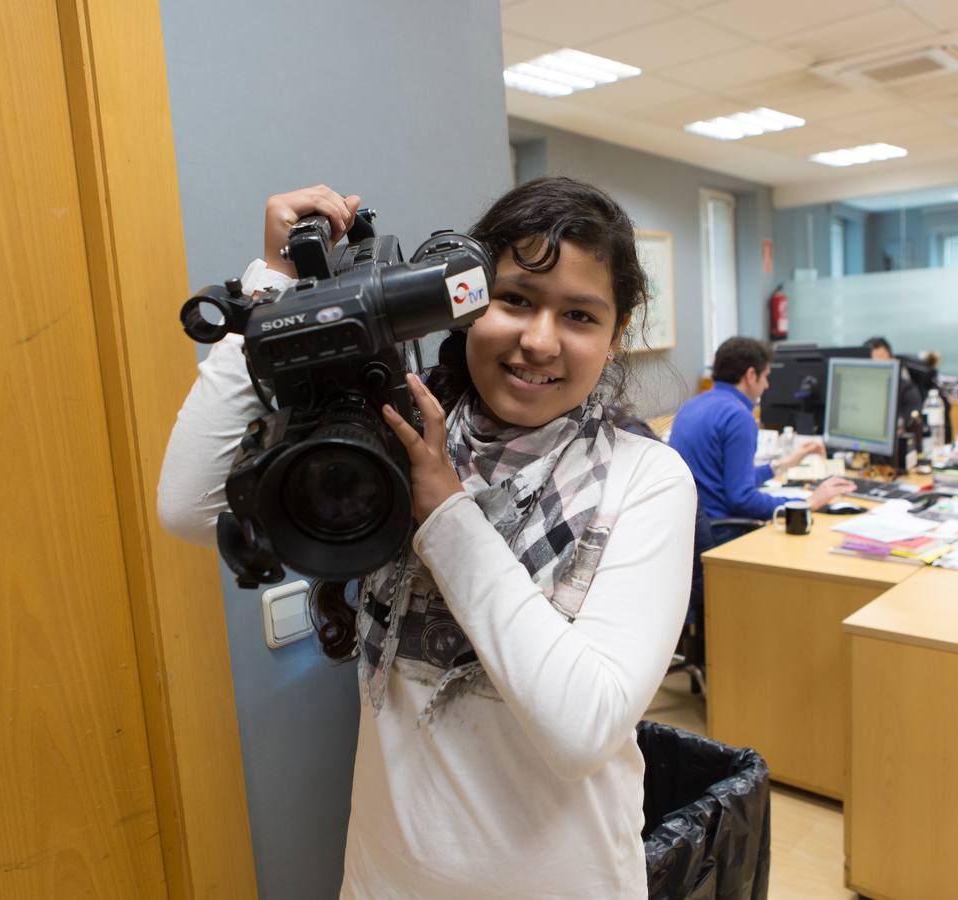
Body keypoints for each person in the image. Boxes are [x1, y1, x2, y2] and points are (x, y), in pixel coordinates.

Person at [158, 178, 697, 898]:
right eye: (514, 300)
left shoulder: (646, 481)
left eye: (578, 315)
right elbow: (189, 505)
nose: (539, 340)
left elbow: (582, 728)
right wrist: (273, 290)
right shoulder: (399, 437)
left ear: (616, 333)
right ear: (466, 298)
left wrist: (445, 512)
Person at [668, 336, 854, 545]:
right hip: (721, 535)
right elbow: (742, 500)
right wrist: (807, 502)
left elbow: (726, 480)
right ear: (750, 375)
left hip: (690, 534)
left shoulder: (691, 406)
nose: (766, 385)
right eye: (765, 376)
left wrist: (780, 466)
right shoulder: (738, 417)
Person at [864, 335, 925, 422]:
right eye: (873, 365)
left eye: (882, 365)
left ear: (893, 361)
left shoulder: (907, 391)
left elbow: (908, 426)